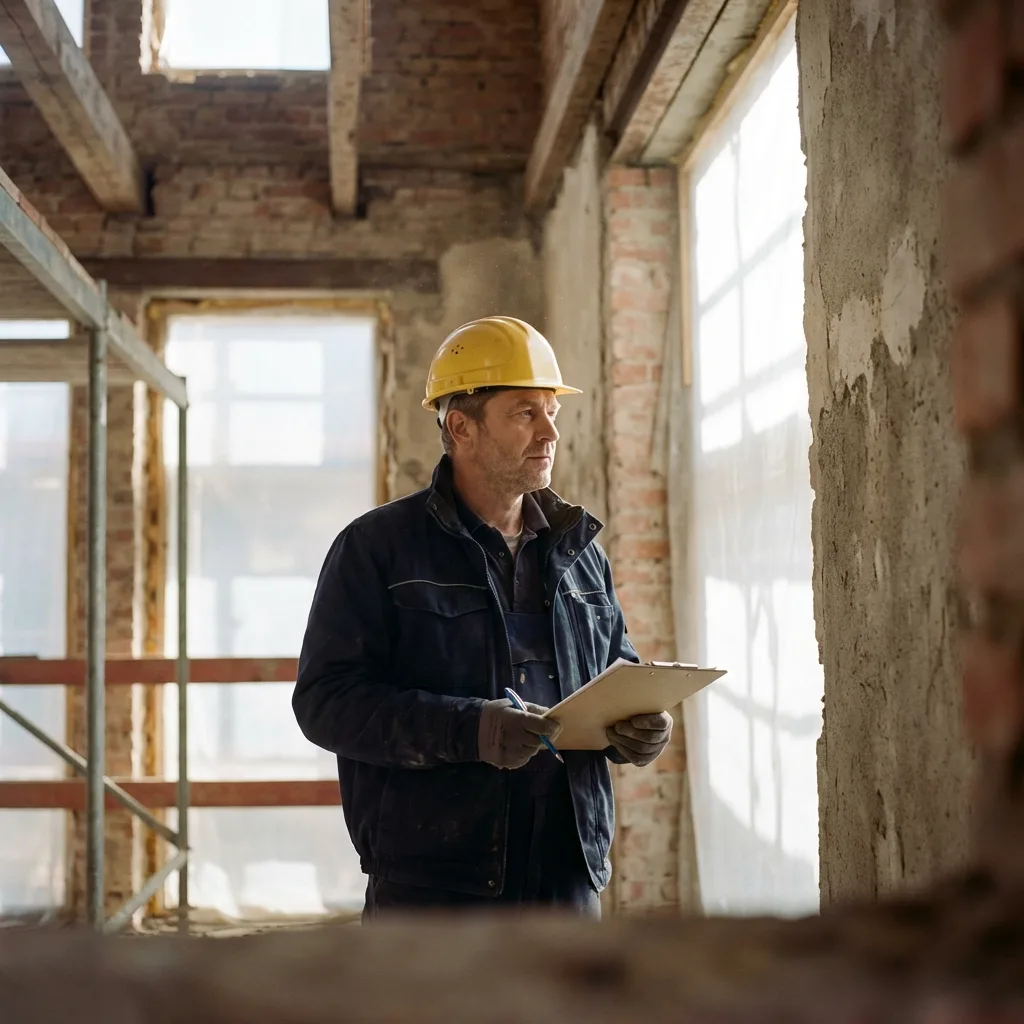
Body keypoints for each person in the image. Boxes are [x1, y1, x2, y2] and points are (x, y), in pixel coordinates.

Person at [293, 316, 674, 918]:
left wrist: (637, 728)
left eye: (552, 411)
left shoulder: (578, 552)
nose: (550, 431)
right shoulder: (376, 549)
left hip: (567, 871)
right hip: (433, 882)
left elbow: (614, 668)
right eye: (525, 412)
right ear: (461, 426)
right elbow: (326, 704)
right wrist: (470, 730)